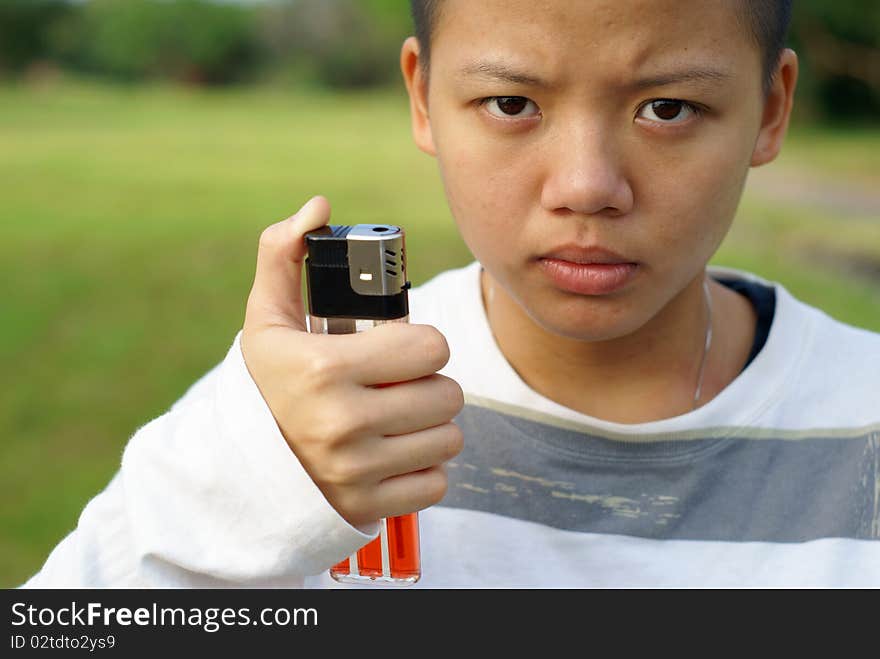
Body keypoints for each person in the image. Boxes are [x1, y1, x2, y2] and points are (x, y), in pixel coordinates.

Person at [23, 0, 880, 588]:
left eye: (666, 109)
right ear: (424, 96)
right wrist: (255, 480)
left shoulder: (863, 417)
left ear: (771, 110)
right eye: (511, 101)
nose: (586, 187)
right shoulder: (321, 405)